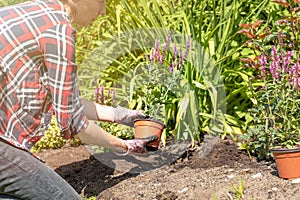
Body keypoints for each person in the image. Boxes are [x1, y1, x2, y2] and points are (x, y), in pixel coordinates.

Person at [0, 0, 157, 199]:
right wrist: (125, 145)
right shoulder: (57, 31)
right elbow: (73, 123)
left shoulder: (35, 13)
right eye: (101, 1)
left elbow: (67, 104)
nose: (103, 11)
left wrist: (121, 115)